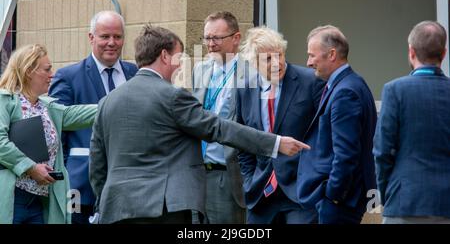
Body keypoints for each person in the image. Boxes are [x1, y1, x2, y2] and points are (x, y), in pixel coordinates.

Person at [89, 24, 309, 224]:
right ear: (165, 56)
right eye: (179, 58)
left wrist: (108, 198)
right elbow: (218, 128)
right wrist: (275, 143)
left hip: (115, 210)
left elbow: (97, 164)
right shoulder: (172, 97)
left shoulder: (107, 102)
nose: (180, 66)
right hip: (164, 210)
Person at [48, 10, 138, 224]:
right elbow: (55, 129)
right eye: (105, 36)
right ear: (91, 38)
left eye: (117, 37)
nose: (112, 43)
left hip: (130, 186)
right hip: (81, 186)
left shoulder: (135, 73)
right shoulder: (69, 77)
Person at [236, 27, 325, 224]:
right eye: (268, 59)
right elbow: (242, 140)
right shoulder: (244, 90)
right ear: (254, 63)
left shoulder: (310, 81)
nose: (277, 63)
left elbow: (324, 133)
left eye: (280, 55)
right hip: (261, 194)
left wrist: (316, 178)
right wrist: (249, 180)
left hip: (300, 192)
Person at [0, 44, 96, 224]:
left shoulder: (46, 107)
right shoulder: (4, 100)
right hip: (13, 198)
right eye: (47, 69)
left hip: (38, 201)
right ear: (29, 71)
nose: (52, 74)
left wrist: (114, 101)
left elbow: (82, 113)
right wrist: (31, 168)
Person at [297, 25, 377, 224]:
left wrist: (333, 194)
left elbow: (346, 153)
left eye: (312, 55)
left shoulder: (345, 92)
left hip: (339, 202)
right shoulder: (351, 83)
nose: (308, 63)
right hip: (340, 199)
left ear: (332, 54)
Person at [373, 21, 450, 224]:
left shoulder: (395, 90)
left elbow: (382, 151)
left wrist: (387, 192)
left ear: (411, 51)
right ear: (444, 54)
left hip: (403, 201)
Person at [191, 11, 246, 224]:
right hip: (197, 173)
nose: (210, 44)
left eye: (217, 38)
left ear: (236, 38)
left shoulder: (250, 74)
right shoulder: (200, 70)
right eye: (207, 38)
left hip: (228, 175)